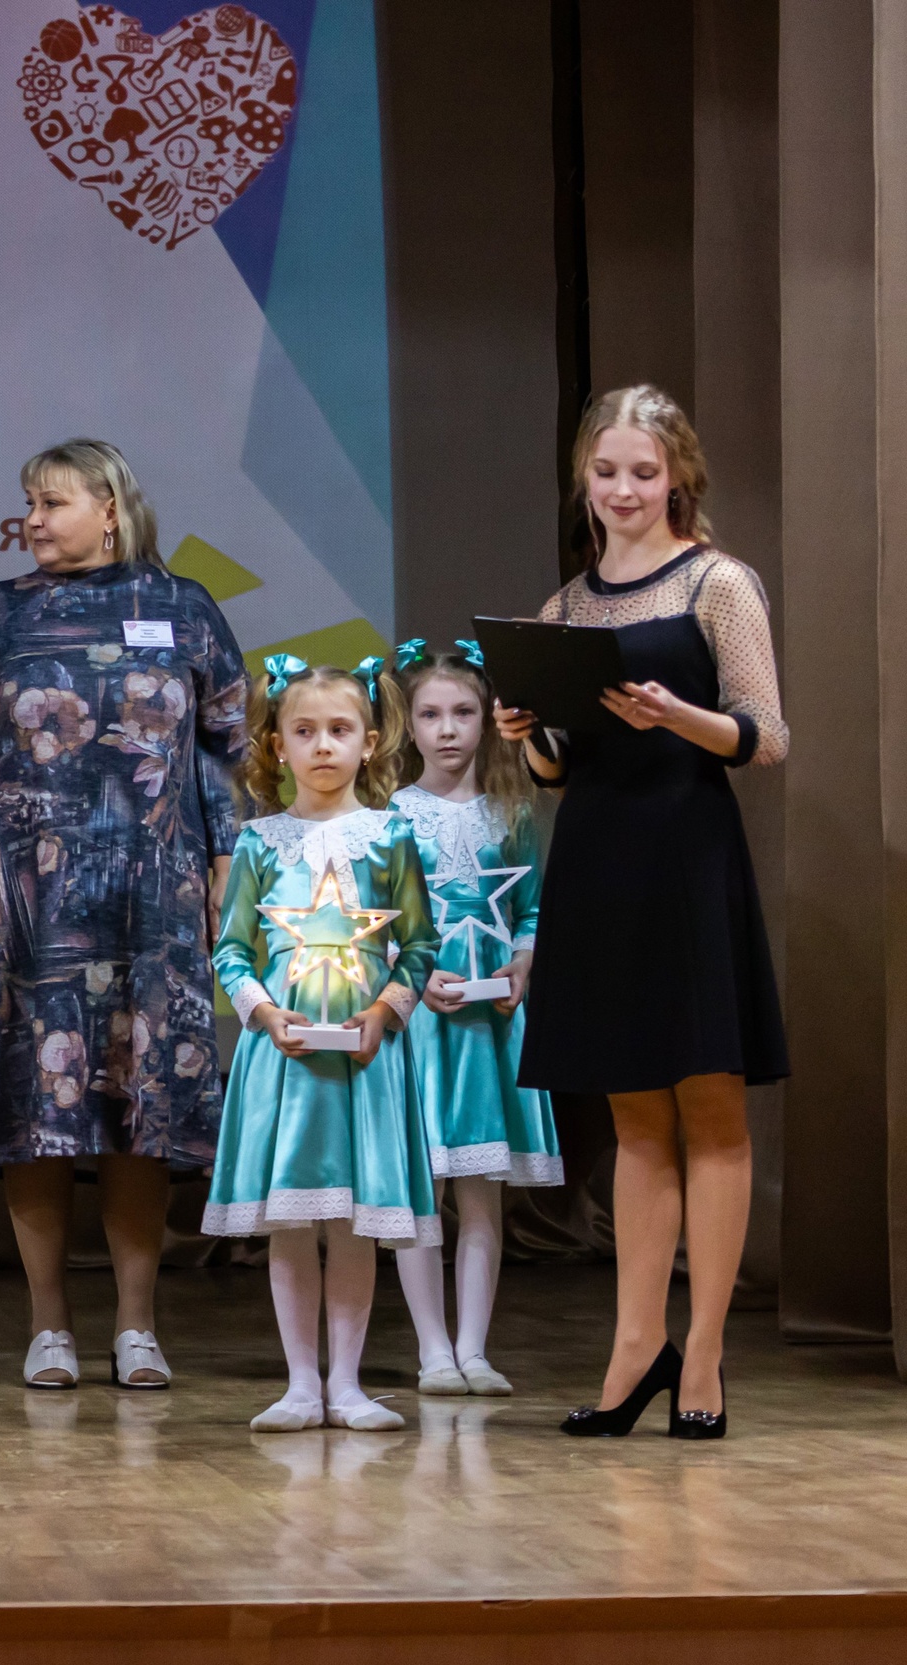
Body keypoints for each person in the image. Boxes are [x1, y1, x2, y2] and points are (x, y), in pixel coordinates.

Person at [0, 439, 248, 1391]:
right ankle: (49, 1325)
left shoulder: (184, 608)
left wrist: (230, 862)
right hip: (23, 897)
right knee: (37, 1101)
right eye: (28, 501)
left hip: (153, 894)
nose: (31, 518)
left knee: (142, 1104)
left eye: (51, 501)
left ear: (110, 508)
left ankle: (137, 1326)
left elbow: (229, 745)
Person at [497, 386, 787, 1440]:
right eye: (606, 472)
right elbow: (558, 771)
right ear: (584, 478)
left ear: (678, 478)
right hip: (600, 860)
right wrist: (528, 735)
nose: (623, 490)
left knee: (709, 1107)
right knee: (633, 1119)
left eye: (643, 472)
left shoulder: (717, 582)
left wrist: (676, 715)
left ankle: (702, 1353)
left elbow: (765, 737)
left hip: (687, 855)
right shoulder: (565, 608)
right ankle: (634, 1347)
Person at [207, 656, 440, 1433]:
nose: (323, 745)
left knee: (352, 1220)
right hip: (286, 1061)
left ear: (369, 743)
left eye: (340, 730)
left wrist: (385, 1011)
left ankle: (347, 1383)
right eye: (303, 731)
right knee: (293, 1219)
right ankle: (301, 1384)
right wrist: (265, 1013)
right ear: (278, 746)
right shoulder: (258, 843)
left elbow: (420, 943)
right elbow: (231, 951)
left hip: (364, 1061)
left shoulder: (390, 837)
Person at [387, 639, 560, 1398]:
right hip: (423, 1028)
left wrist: (523, 958)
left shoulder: (510, 810)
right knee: (421, 1190)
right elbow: (379, 918)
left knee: (483, 1191)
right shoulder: (391, 816)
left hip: (490, 1026)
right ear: (409, 725)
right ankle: (432, 1349)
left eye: (462, 713)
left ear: (486, 720)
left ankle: (474, 1349)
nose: (448, 729)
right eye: (430, 714)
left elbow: (531, 906)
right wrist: (414, 974)